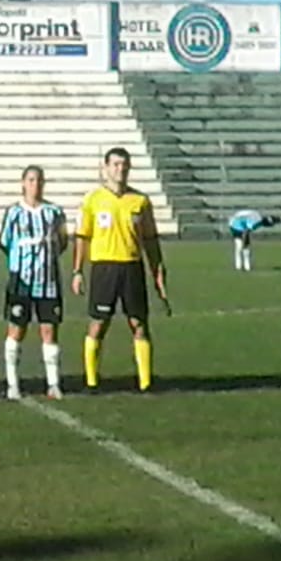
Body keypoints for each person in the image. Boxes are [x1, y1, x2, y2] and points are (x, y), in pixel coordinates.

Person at [72, 147, 167, 394]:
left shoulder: (140, 201)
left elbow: (150, 239)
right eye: (115, 164)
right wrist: (77, 271)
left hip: (132, 267)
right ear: (105, 168)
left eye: (124, 165)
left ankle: (146, 382)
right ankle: (92, 381)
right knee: (98, 324)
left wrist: (157, 270)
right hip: (104, 268)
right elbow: (82, 237)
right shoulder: (93, 200)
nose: (120, 169)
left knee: (139, 324)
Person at [0, 166, 68, 401]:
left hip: (48, 282)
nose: (35, 184)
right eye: (30, 180)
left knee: (49, 330)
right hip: (21, 283)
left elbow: (63, 240)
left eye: (39, 180)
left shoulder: (54, 212)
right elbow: (5, 241)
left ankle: (54, 384)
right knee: (16, 329)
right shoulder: (14, 212)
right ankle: (12, 384)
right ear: (23, 183)